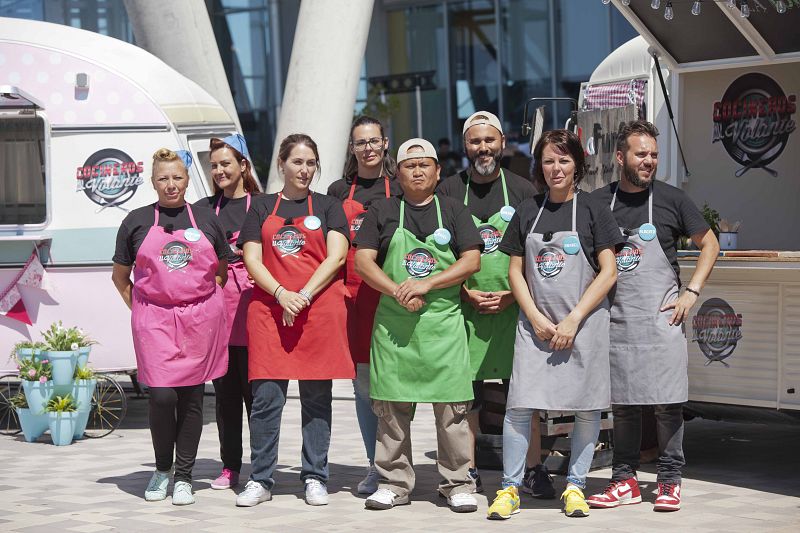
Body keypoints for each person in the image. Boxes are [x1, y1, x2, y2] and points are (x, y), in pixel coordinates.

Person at [486, 129, 623, 520]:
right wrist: (535, 317)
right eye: (548, 160)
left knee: (586, 408)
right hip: (536, 327)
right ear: (539, 166)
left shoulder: (595, 209)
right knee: (519, 406)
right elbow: (515, 271)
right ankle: (510, 488)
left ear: (577, 164)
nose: (556, 168)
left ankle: (576, 486)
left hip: (584, 325)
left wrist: (573, 319)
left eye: (564, 160)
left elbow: (609, 271)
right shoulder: (527, 211)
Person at [588, 120, 719, 512]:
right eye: (641, 153)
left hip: (662, 319)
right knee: (624, 406)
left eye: (654, 155)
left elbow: (709, 243)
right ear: (620, 156)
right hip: (618, 319)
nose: (649, 161)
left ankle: (669, 481)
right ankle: (624, 481)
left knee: (667, 405)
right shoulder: (598, 202)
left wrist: (692, 291)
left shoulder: (672, 199)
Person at [354, 138, 483, 513]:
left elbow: (471, 260)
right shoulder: (382, 210)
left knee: (452, 412)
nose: (418, 171)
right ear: (399, 173)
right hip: (395, 326)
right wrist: (398, 291)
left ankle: (457, 482)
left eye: (425, 164)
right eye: (410, 166)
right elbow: (364, 262)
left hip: (443, 326)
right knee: (391, 411)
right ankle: (393, 481)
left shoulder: (455, 211)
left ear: (438, 171)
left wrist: (427, 283)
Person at [234, 134, 353, 508]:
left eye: (311, 163)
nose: (305, 170)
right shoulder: (261, 208)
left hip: (318, 311)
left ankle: (316, 476)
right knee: (266, 399)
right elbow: (253, 260)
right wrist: (282, 294)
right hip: (271, 311)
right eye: (298, 162)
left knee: (317, 398)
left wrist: (301, 296)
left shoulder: (331, 206)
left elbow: (335, 258)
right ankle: (260, 478)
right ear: (282, 165)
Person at [111, 148, 229, 506]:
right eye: (163, 178)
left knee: (192, 398)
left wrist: (206, 306)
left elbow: (220, 270)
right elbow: (120, 277)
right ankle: (162, 469)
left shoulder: (207, 219)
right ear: (153, 182)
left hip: (199, 320)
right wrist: (144, 314)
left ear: (187, 179)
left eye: (177, 177)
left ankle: (184, 476)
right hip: (155, 321)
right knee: (162, 396)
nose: (171, 184)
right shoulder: (136, 220)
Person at [437, 111, 545, 496]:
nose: (482, 148)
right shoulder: (448, 191)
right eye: (474, 141)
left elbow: (537, 253)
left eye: (489, 140)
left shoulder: (523, 190)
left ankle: (531, 469)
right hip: (465, 310)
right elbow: (438, 253)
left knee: (523, 396)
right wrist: (464, 291)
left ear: (502, 142)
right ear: (465, 145)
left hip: (515, 309)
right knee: (467, 401)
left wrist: (514, 294)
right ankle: (467, 473)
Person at [327, 116, 402, 495]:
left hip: (393, 294)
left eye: (374, 141)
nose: (369, 148)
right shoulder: (338, 190)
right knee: (363, 385)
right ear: (352, 148)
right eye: (361, 142)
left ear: (385, 143)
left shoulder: (401, 188)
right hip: (353, 297)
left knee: (397, 384)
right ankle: (375, 464)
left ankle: (397, 462)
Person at [195, 134, 260, 490]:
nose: (219, 170)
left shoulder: (263, 205)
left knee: (259, 398)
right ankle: (230, 466)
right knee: (226, 396)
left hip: (255, 311)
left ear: (243, 166)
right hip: (219, 313)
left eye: (226, 163)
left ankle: (263, 466)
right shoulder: (203, 210)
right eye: (214, 165)